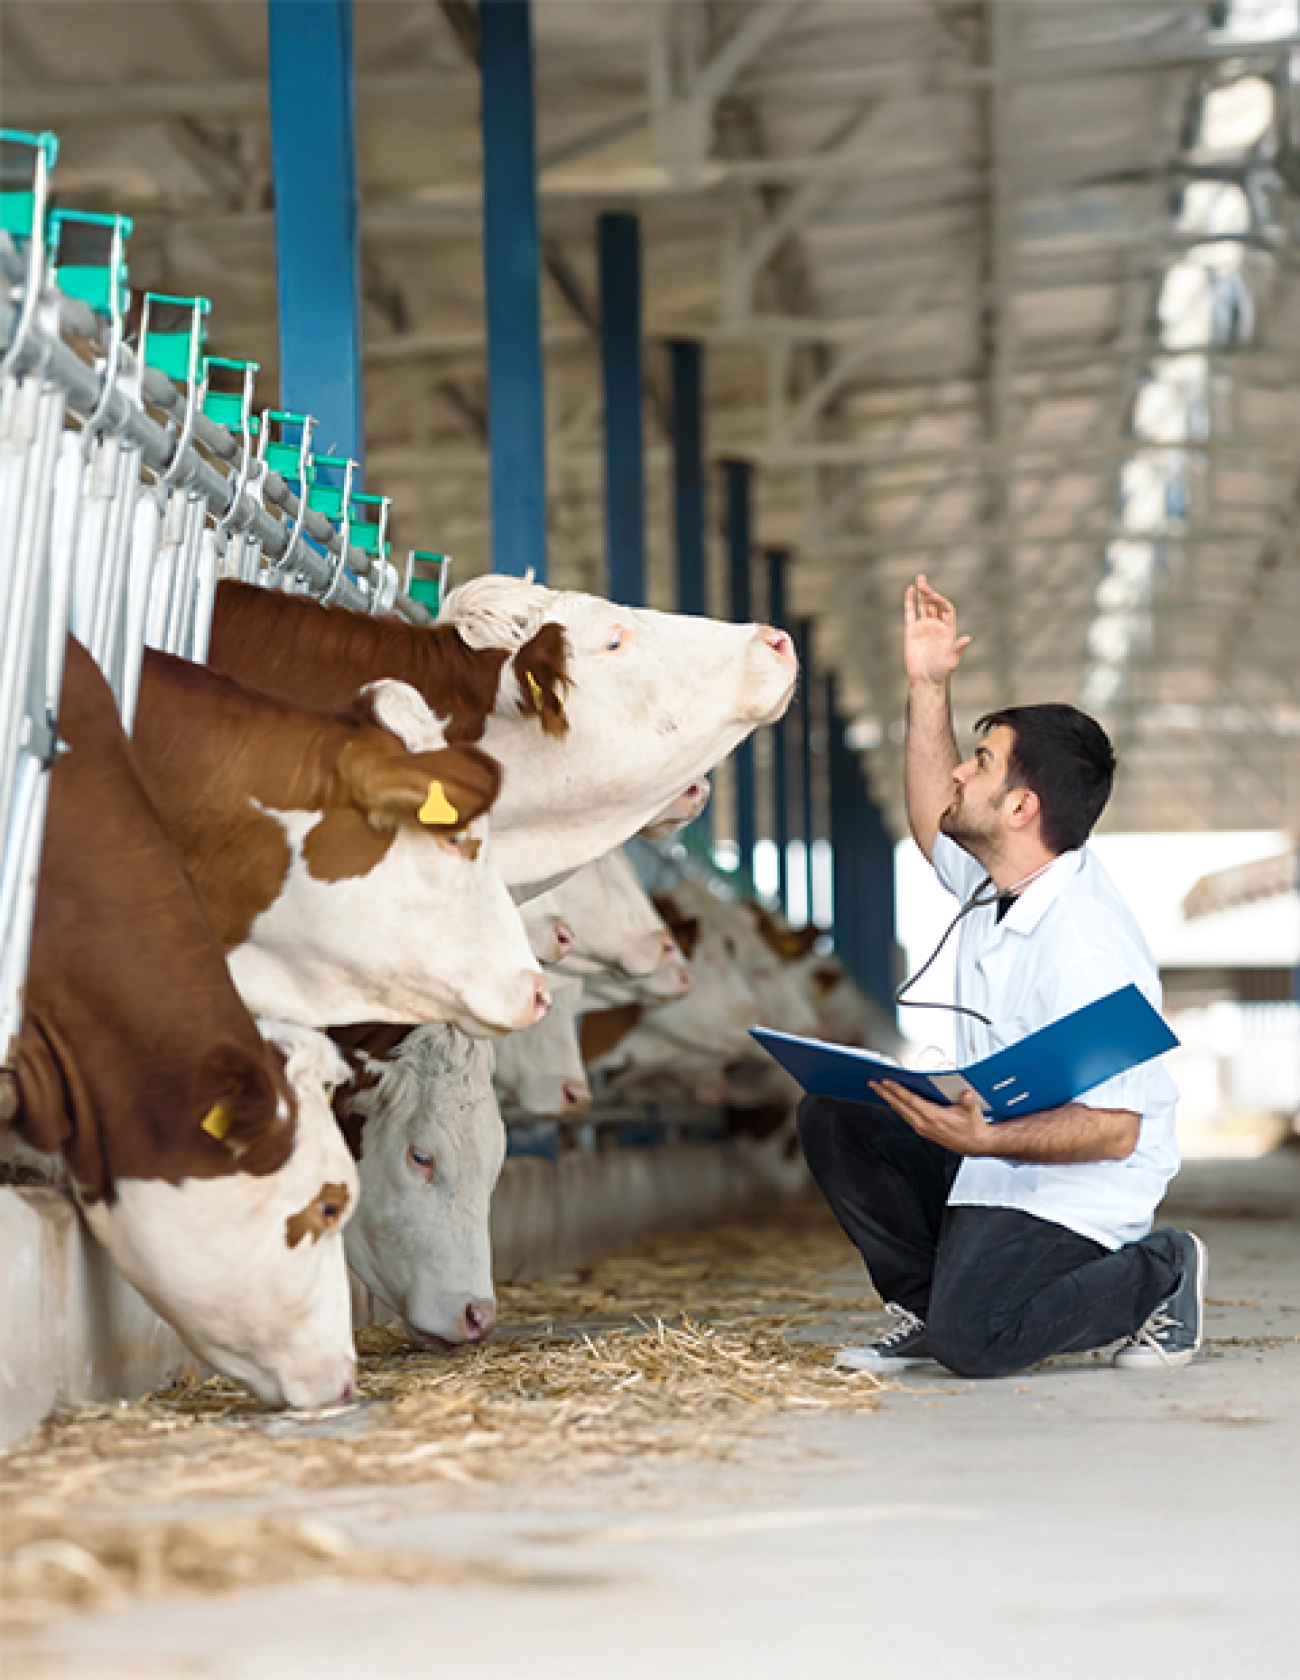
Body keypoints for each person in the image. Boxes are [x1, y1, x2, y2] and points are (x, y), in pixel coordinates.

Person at [797, 575, 1205, 1378]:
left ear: (1021, 809)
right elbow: (929, 813)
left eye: (981, 764)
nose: (960, 775)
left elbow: (1115, 1130)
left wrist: (983, 1136)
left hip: (1081, 1186)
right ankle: (928, 1307)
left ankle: (1162, 1273)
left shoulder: (1086, 942)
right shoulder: (997, 881)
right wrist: (927, 685)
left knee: (980, 1342)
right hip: (995, 1154)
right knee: (839, 1114)